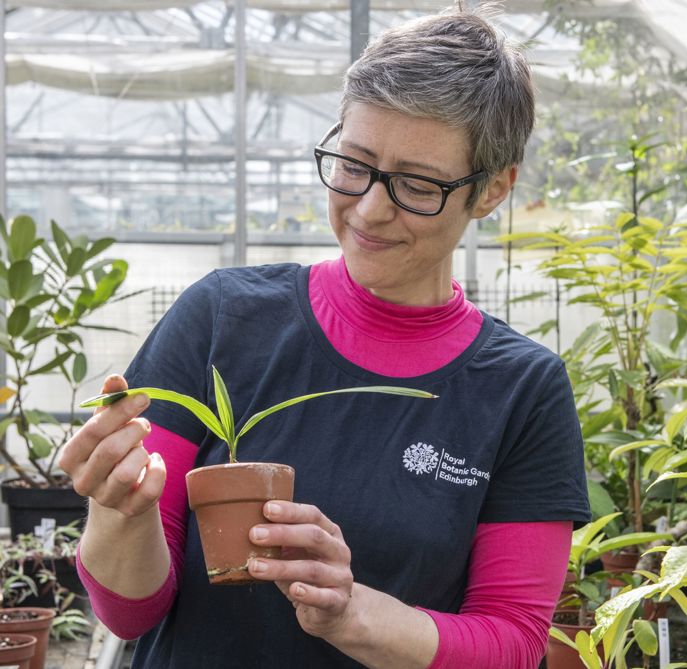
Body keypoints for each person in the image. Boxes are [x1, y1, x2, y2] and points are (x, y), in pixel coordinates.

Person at [58, 5, 590, 668]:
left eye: (417, 184)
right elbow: (130, 610)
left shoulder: (522, 390)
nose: (369, 206)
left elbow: (512, 641)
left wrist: (352, 612)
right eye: (354, 163)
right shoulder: (221, 319)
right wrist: (118, 512)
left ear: (490, 191)